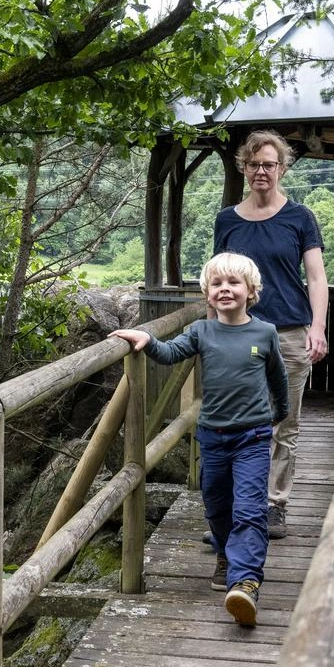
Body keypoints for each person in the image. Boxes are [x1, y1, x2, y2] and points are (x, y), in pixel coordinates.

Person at [109, 252, 287, 627]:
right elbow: (171, 353)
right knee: (218, 507)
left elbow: (278, 378)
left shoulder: (265, 333)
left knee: (250, 509)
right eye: (217, 284)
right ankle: (225, 553)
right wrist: (146, 337)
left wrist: (281, 412)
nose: (225, 290)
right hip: (213, 437)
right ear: (207, 294)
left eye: (233, 283)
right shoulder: (202, 332)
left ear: (251, 291)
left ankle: (245, 582)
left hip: (253, 437)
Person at [213, 129, 329, 542]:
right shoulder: (227, 219)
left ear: (282, 169)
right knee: (234, 421)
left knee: (285, 422)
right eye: (254, 164)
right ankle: (235, 509)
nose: (261, 171)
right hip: (237, 336)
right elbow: (217, 278)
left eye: (269, 164)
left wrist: (317, 327)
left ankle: (274, 504)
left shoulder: (300, 217)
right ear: (244, 169)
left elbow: (316, 277)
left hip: (289, 331)